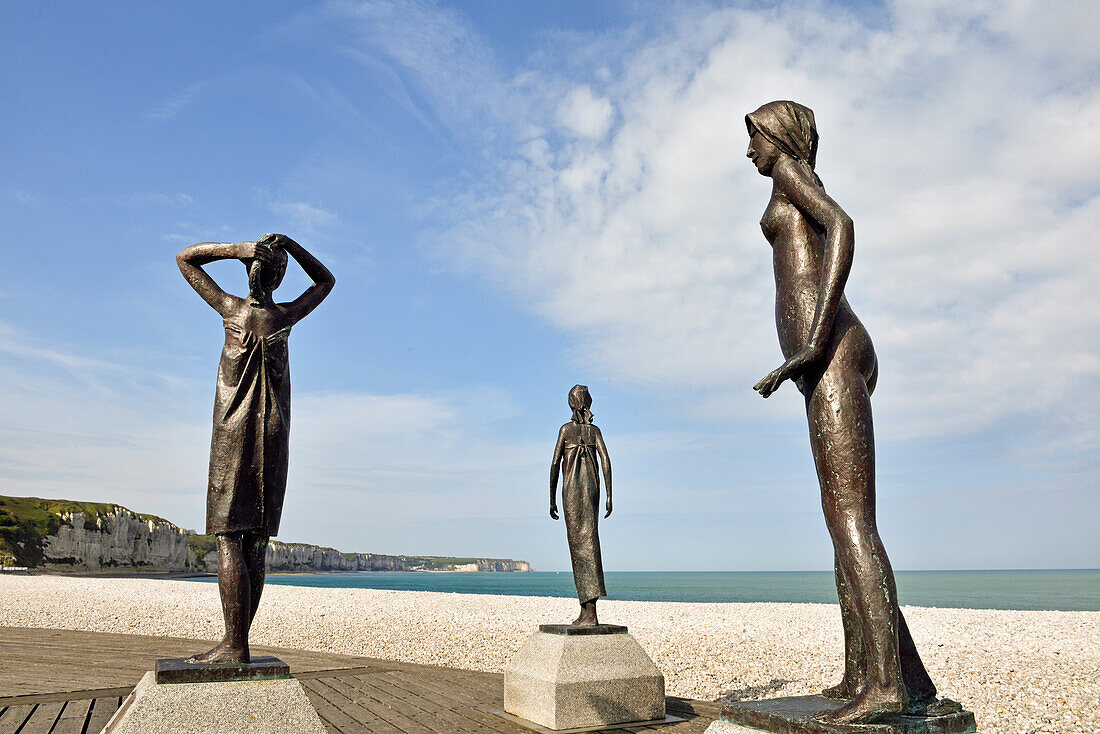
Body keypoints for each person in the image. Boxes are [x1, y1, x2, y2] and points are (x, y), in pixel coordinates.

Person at [745, 101, 937, 724]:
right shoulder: (787, 184)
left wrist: (814, 338)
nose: (748, 150)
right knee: (840, 516)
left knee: (852, 517)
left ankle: (886, 687)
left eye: (754, 138)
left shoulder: (792, 180)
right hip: (822, 363)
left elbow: (844, 226)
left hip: (832, 354)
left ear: (779, 138)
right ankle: (875, 669)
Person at [177, 233, 334, 664]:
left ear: (249, 270)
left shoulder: (232, 309)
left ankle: (234, 644)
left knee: (229, 538)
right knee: (256, 543)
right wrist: (294, 244)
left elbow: (186, 259)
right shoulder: (284, 316)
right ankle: (237, 642)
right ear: (280, 276)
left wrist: (235, 249)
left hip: (233, 433)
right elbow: (325, 281)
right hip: (274, 435)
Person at [549, 385, 612, 626]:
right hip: (592, 491)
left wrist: (551, 497)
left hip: (573, 495)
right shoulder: (594, 431)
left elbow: (555, 464)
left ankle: (589, 613)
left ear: (572, 403)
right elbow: (606, 461)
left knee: (580, 547)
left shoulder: (566, 430)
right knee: (590, 543)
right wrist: (608, 494)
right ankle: (588, 610)